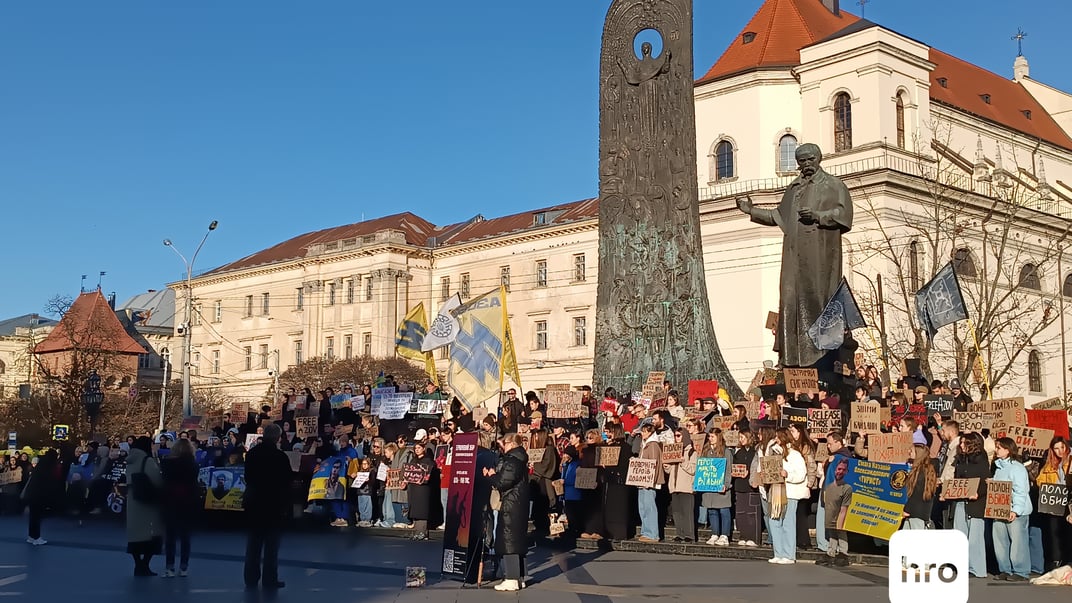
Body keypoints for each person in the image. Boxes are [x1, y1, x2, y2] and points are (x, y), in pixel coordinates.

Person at [735, 142, 852, 368]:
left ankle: (822, 356)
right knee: (790, 300)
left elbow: (844, 214)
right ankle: (792, 359)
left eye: (810, 159)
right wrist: (751, 210)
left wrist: (818, 216)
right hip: (793, 258)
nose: (806, 164)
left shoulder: (834, 185)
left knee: (818, 301)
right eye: (801, 161)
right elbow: (777, 216)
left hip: (819, 258)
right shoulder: (794, 189)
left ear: (819, 159)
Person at [243, 423, 291, 590]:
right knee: (271, 547)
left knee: (253, 544)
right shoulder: (280, 457)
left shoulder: (252, 454)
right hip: (273, 504)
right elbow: (286, 482)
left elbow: (247, 477)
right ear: (277, 438)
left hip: (254, 502)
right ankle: (270, 579)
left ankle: (250, 577)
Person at [487, 433, 529, 592]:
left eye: (504, 443)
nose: (502, 446)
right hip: (518, 503)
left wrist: (492, 476)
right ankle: (520, 578)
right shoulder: (520, 459)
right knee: (517, 539)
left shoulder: (511, 461)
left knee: (509, 539)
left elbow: (502, 483)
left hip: (511, 504)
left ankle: (511, 578)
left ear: (511, 444)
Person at [991, 437, 1032, 582]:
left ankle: (1021, 571)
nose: (996, 450)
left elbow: (1021, 491)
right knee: (1000, 541)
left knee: (1018, 542)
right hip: (999, 509)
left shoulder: (1017, 468)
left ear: (1007, 450)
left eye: (999, 448)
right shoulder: (999, 467)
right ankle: (1005, 569)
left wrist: (1016, 510)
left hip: (1014, 510)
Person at [768, 428, 808, 565]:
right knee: (774, 521)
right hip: (776, 491)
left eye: (777, 437)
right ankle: (778, 553)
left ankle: (789, 554)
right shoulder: (775, 453)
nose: (775, 440)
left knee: (787, 523)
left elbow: (802, 474)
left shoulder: (795, 455)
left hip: (790, 492)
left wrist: (788, 474)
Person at [161, 439, 200, 577]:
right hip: (188, 502)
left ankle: (169, 567)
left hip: (171, 501)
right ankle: (184, 567)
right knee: (185, 536)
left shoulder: (167, 463)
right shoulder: (194, 465)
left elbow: (164, 481)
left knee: (170, 536)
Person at [126, 437, 164, 576]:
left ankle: (138, 565)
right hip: (148, 502)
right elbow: (156, 480)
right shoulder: (147, 460)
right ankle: (145, 564)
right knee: (153, 535)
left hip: (133, 499)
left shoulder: (130, 460)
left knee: (135, 536)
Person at [701, 430, 734, 546]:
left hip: (721, 486)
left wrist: (726, 484)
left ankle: (724, 535)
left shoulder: (725, 451)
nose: (710, 438)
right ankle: (715, 533)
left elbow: (728, 469)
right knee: (712, 511)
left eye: (713, 436)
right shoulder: (706, 450)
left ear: (718, 437)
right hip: (708, 486)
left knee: (724, 510)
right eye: (709, 436)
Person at [667, 429, 698, 543]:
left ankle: (689, 535)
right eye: (675, 436)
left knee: (687, 512)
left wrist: (683, 461)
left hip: (686, 486)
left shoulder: (692, 452)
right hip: (674, 486)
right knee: (676, 512)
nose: (677, 438)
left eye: (679, 435)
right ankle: (680, 533)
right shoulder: (674, 450)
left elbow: (693, 469)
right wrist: (666, 465)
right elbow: (670, 470)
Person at [22, 449, 57, 546]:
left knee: (33, 516)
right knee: (37, 516)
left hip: (31, 493)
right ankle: (37, 537)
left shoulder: (40, 465)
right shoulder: (47, 467)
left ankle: (31, 536)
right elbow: (47, 482)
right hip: (39, 495)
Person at [901, 444, 937, 530]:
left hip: (915, 512)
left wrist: (907, 509)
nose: (909, 452)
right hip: (920, 512)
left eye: (911, 451)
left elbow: (916, 493)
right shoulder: (927, 469)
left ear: (918, 454)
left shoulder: (920, 472)